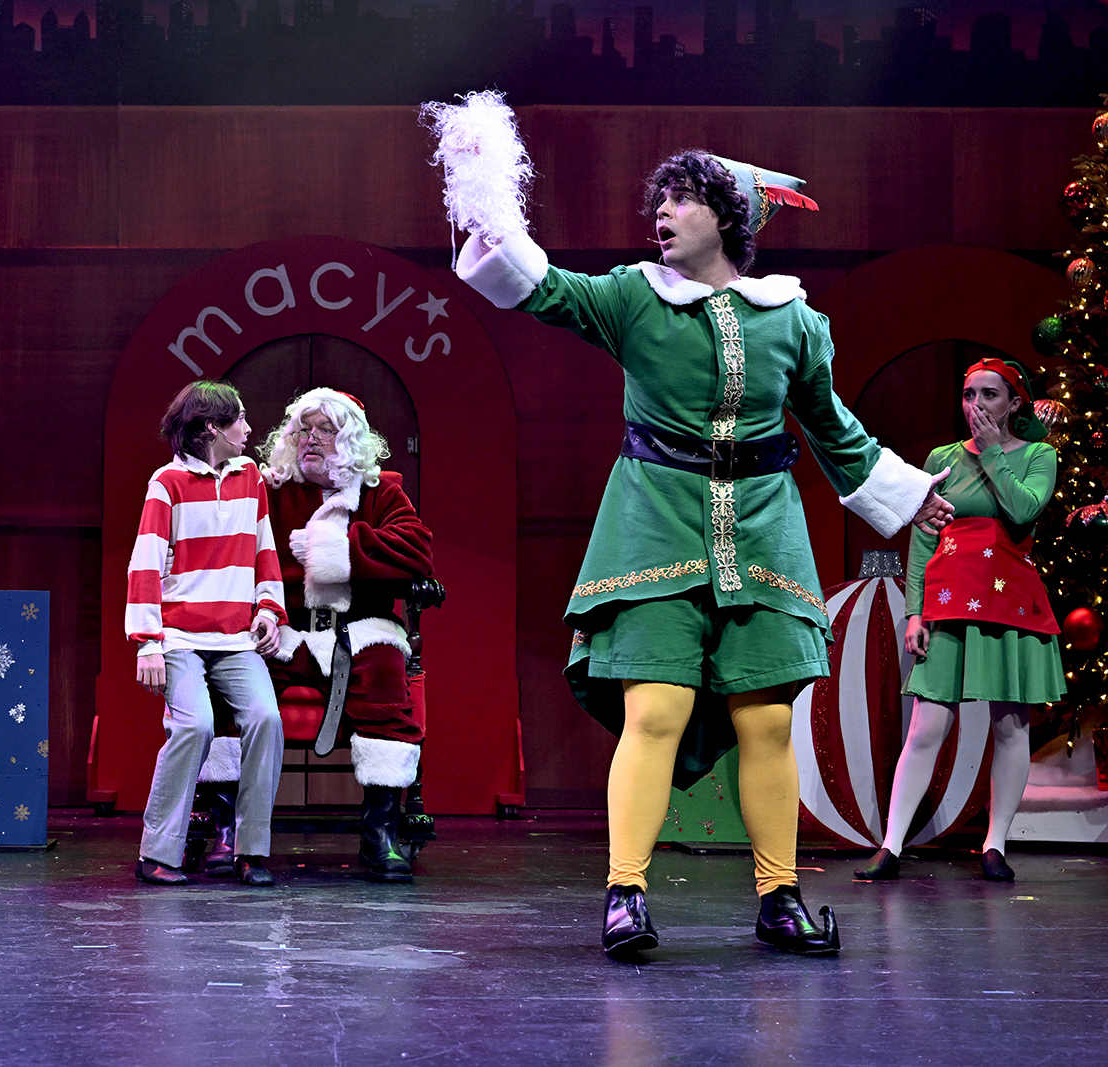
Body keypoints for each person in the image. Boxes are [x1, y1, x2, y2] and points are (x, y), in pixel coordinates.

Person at [425, 94, 953, 957]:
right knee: (657, 710)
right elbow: (545, 288)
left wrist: (904, 492)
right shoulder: (635, 297)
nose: (662, 213)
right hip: (656, 526)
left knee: (768, 722)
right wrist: (491, 209)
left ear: (728, 217)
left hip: (764, 528)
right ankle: (625, 894)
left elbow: (831, 427)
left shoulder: (793, 319)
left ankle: (779, 897)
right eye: (660, 201)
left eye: (681, 199)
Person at [196, 388, 434, 882]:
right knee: (227, 686)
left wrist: (335, 548)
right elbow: (226, 548)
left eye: (325, 429)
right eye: (303, 429)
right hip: (281, 629)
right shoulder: (269, 490)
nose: (311, 438)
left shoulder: (381, 491)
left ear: (351, 440)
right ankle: (227, 828)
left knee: (386, 677)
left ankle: (380, 833)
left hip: (360, 632)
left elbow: (416, 552)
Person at [856, 360, 1064, 883]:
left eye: (989, 395)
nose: (976, 405)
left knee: (1010, 725)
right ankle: (891, 846)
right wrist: (915, 611)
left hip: (1008, 603)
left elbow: (1023, 510)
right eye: (969, 394)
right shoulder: (942, 458)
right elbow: (924, 537)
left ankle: (995, 846)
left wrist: (993, 452)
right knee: (927, 726)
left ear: (1014, 402)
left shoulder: (1038, 456)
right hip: (949, 602)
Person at [127, 380, 286, 887]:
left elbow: (264, 550)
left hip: (236, 639)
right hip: (178, 637)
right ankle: (156, 852)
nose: (249, 428)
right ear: (213, 427)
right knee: (194, 727)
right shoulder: (167, 483)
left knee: (266, 718)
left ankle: (250, 850)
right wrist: (147, 642)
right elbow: (145, 563)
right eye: (240, 419)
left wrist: (269, 610)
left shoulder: (250, 477)